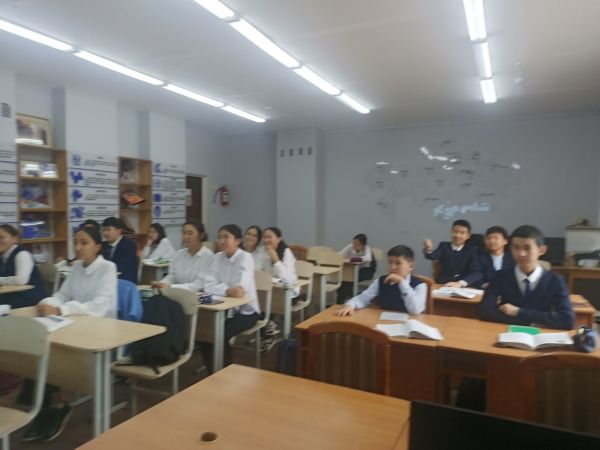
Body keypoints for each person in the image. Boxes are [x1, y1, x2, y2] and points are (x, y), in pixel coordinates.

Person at [20, 226, 117, 442]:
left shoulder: (108, 268)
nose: (78, 247)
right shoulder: (77, 267)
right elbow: (62, 294)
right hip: (74, 324)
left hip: (100, 331)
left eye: (84, 243)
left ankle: (56, 404)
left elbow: (99, 307)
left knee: (54, 353)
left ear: (97, 247)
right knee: (41, 346)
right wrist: (47, 303)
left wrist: (60, 309)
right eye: (76, 242)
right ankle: (51, 403)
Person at [478, 225, 574, 330]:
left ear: (541, 250)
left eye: (527, 248)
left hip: (541, 335)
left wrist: (519, 312)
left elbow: (567, 320)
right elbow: (484, 312)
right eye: (516, 248)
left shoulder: (555, 280)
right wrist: (529, 323)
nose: (521, 254)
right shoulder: (500, 276)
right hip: (507, 332)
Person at [201, 224, 260, 372]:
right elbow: (208, 285)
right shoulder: (217, 257)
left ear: (237, 241)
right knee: (203, 333)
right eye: (219, 237)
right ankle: (212, 371)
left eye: (226, 237)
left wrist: (223, 290)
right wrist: (227, 290)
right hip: (223, 308)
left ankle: (225, 372)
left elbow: (241, 290)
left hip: (246, 311)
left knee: (219, 333)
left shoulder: (245, 258)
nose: (221, 241)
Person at [336, 245, 426, 316]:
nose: (392, 267)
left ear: (411, 266)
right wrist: (350, 305)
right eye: (390, 262)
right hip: (383, 323)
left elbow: (415, 310)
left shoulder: (420, 285)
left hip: (409, 326)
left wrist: (402, 283)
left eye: (398, 263)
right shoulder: (381, 281)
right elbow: (363, 298)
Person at [253, 226, 298, 344]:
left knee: (267, 305)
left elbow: (288, 279)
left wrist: (276, 259)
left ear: (279, 239)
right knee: (257, 303)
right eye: (264, 237)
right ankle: (267, 331)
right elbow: (256, 271)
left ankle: (268, 333)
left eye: (270, 237)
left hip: (288, 293)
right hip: (268, 291)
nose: (266, 240)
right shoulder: (262, 251)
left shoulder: (286, 252)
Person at [154, 220, 214, 291]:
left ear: (201, 235)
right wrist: (162, 283)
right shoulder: (178, 254)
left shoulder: (209, 257)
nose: (185, 237)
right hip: (176, 293)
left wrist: (171, 286)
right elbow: (172, 275)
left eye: (190, 233)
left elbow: (199, 285)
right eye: (183, 233)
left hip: (197, 295)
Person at [423, 219, 481, 287]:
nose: (458, 235)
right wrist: (428, 249)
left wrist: (460, 283)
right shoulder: (444, 246)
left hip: (462, 286)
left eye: (462, 233)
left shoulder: (471, 251)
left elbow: (477, 272)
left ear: (468, 236)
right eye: (455, 232)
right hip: (443, 284)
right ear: (451, 231)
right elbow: (432, 256)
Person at [0, 224, 46, 308]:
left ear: (15, 239)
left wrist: (1, 280)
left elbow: (21, 280)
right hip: (12, 295)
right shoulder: (3, 255)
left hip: (29, 298)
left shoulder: (22, 254)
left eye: (1, 237)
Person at [337, 233, 376, 303]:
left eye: (357, 244)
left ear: (363, 245)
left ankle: (349, 299)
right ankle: (344, 299)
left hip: (367, 270)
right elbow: (340, 254)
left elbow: (368, 258)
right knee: (345, 279)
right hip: (354, 270)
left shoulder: (367, 248)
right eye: (354, 243)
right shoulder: (350, 247)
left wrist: (353, 259)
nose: (354, 246)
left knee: (349, 280)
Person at [101, 217, 138, 284]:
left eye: (108, 230)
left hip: (124, 282)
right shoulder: (103, 245)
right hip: (106, 280)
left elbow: (123, 268)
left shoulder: (128, 245)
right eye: (103, 230)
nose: (105, 233)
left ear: (119, 231)